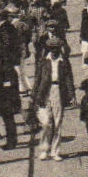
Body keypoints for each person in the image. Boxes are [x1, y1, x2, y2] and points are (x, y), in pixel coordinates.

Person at [32, 32, 74, 160]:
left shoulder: (64, 62)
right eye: (52, 48)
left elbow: (68, 79)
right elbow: (38, 79)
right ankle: (44, 148)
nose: (54, 51)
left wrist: (72, 95)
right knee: (46, 122)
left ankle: (55, 151)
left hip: (58, 91)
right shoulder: (43, 61)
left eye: (56, 48)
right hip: (45, 92)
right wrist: (34, 95)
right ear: (48, 49)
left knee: (58, 121)